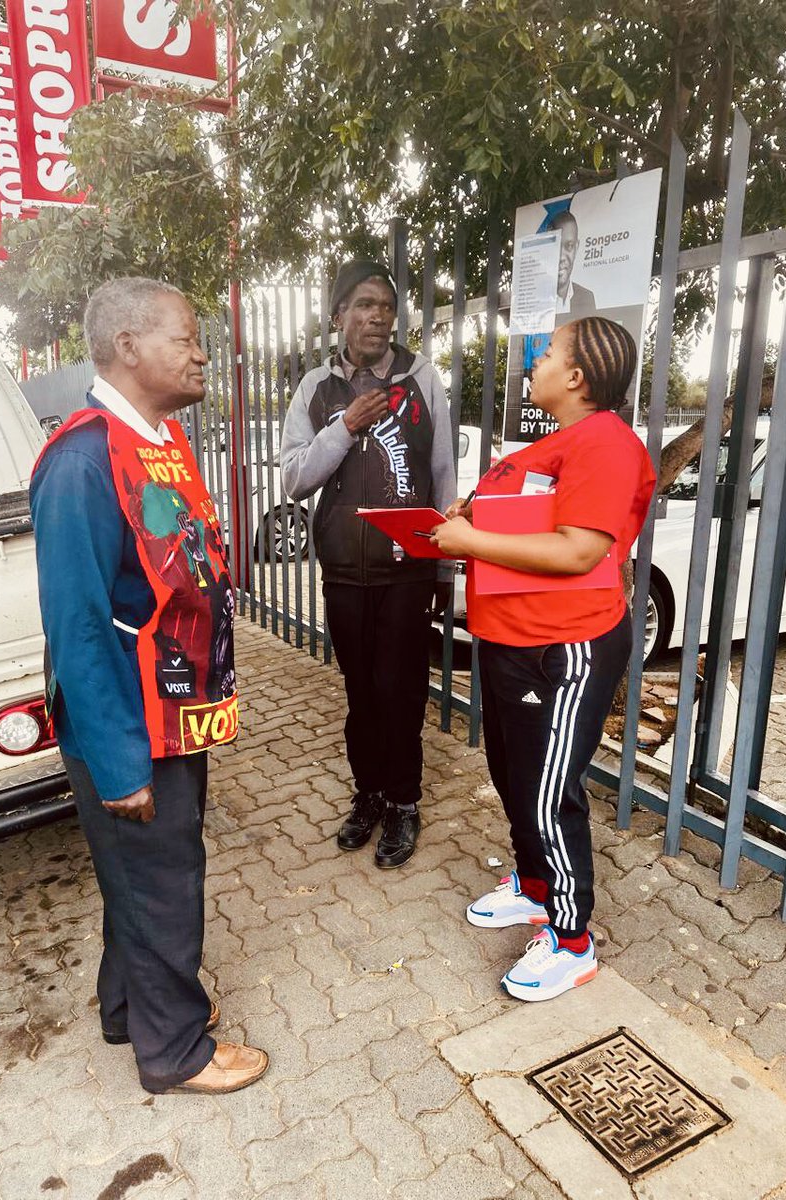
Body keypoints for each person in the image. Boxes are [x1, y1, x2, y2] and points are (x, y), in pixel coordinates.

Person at [30, 277, 268, 1093]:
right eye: (185, 335)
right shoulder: (82, 458)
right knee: (167, 881)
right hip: (129, 724)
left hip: (171, 710)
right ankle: (175, 1053)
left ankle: (126, 1009)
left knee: (133, 873)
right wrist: (119, 762)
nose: (201, 351)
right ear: (128, 347)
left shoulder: (156, 439)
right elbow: (78, 627)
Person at [432, 317, 655, 1001]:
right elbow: (520, 523)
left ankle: (570, 937)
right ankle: (534, 887)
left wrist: (470, 536)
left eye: (548, 352)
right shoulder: (557, 444)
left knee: (549, 790)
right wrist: (466, 517)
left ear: (579, 376)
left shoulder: (607, 445)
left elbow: (580, 550)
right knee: (513, 773)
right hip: (510, 638)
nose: (536, 359)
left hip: (564, 646)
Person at [281, 259, 456, 867]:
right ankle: (371, 794)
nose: (377, 315)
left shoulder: (421, 378)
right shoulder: (316, 389)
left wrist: (441, 569)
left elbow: (442, 477)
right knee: (361, 692)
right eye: (363, 304)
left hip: (407, 569)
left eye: (386, 305)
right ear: (338, 317)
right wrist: (344, 428)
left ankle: (405, 801)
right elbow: (294, 479)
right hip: (345, 574)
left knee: (401, 691)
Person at [550, 211, 596, 317]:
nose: (561, 257)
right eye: (556, 246)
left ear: (576, 247)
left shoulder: (587, 298)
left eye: (569, 246)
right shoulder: (537, 300)